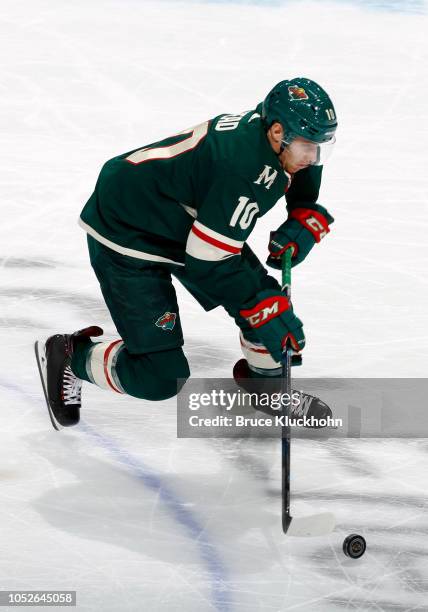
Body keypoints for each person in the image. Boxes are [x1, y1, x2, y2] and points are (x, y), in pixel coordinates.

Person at [35, 77, 337, 429]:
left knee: (263, 303)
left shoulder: (277, 140)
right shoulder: (241, 171)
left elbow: (301, 167)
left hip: (180, 216)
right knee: (160, 377)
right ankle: (71, 357)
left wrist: (301, 207)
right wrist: (262, 307)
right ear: (275, 132)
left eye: (321, 146)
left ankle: (268, 390)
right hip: (127, 228)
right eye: (307, 146)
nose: (314, 157)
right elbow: (208, 262)